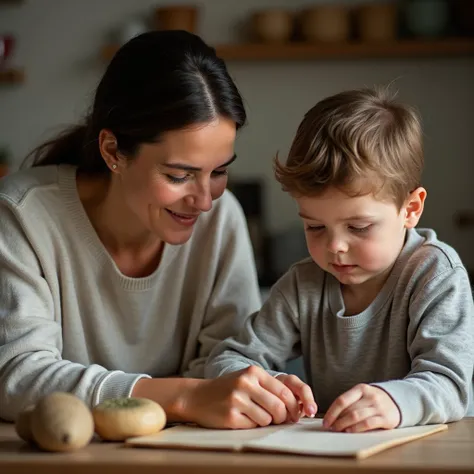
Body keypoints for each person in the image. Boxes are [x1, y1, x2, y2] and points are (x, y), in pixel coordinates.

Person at [0, 30, 310, 428]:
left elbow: (228, 358)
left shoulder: (221, 218)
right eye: (180, 175)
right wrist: (185, 397)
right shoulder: (21, 216)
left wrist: (257, 390)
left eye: (218, 171)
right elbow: (16, 377)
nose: (203, 200)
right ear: (112, 151)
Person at [206, 87, 474, 432]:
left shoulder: (435, 275)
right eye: (315, 226)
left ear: (411, 209)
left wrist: (396, 402)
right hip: (337, 453)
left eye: (358, 227)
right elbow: (227, 360)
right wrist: (268, 386)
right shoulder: (304, 283)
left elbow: (451, 386)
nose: (335, 247)